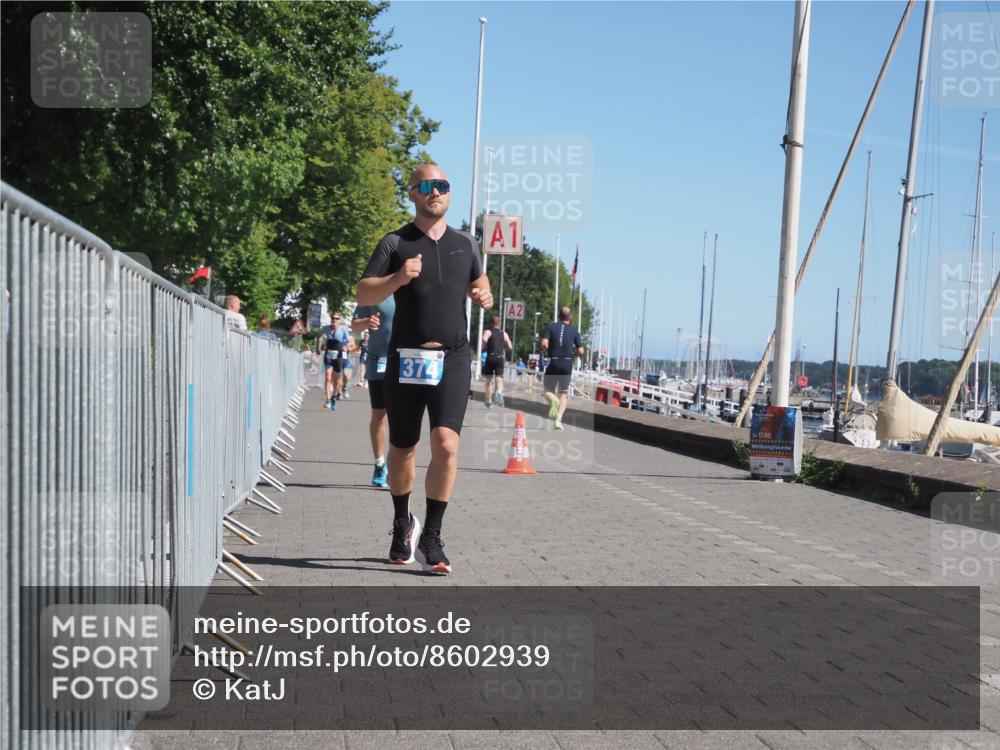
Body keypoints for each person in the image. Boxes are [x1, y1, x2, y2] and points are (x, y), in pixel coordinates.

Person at [357, 163, 492, 575]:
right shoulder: (395, 242)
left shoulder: (465, 244)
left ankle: (432, 537)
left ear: (449, 194)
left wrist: (483, 292)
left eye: (443, 186)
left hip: (452, 358)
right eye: (427, 186)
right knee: (404, 449)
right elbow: (363, 290)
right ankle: (402, 523)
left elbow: (480, 281)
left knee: (447, 445)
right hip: (406, 359)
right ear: (413, 194)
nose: (436, 192)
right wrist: (397, 278)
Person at [352, 299, 395, 487]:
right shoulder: (374, 290)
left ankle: (397, 467)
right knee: (379, 416)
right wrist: (366, 322)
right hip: (378, 361)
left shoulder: (412, 285)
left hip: (405, 362)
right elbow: (354, 325)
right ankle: (379, 464)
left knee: (402, 418)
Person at [540, 306, 584, 430]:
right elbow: (581, 350)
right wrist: (573, 355)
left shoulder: (551, 326)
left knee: (548, 389)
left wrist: (549, 351)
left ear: (559, 316)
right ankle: (558, 421)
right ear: (570, 317)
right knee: (564, 392)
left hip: (553, 361)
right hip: (567, 363)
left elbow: (544, 343)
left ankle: (554, 399)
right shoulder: (574, 331)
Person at [317, 314, 349, 409]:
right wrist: (317, 348)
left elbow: (348, 341)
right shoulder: (325, 328)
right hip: (328, 355)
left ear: (339, 320)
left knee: (337, 380)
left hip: (338, 356)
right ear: (330, 319)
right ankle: (327, 400)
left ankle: (334, 397)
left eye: (337, 318)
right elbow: (318, 336)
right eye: (333, 318)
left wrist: (345, 348)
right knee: (328, 376)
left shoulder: (343, 330)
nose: (334, 320)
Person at [481, 315, 511, 408]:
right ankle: (498, 391)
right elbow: (510, 346)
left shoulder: (488, 331)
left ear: (491, 324)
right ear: (499, 324)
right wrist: (503, 346)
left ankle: (489, 401)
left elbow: (484, 339)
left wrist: (484, 346)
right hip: (499, 357)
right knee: (499, 379)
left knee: (489, 381)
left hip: (490, 357)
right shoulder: (504, 334)